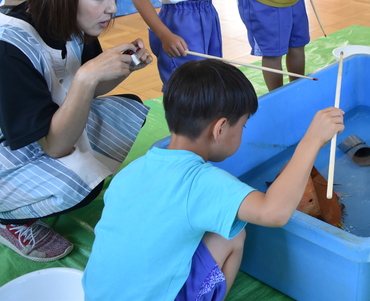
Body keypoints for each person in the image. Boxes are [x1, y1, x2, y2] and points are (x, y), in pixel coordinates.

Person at [82, 59, 344, 300]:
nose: (242, 132)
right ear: (220, 129)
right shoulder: (201, 181)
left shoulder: (133, 170)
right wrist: (312, 140)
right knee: (232, 236)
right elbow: (273, 212)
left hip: (96, 293)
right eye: (242, 126)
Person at [0, 0, 151, 262]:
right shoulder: (9, 47)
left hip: (41, 129)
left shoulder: (72, 22)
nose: (112, 7)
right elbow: (56, 145)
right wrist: (87, 75)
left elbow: (85, 89)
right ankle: (8, 219)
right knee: (80, 179)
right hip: (9, 151)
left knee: (125, 111)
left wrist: (118, 68)